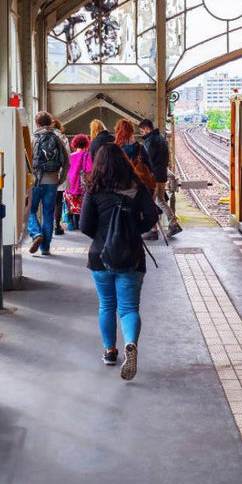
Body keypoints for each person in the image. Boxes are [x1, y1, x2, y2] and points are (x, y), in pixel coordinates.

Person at [79, 143, 160, 380]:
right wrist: (131, 232)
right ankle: (131, 344)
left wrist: (104, 238)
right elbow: (152, 217)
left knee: (107, 305)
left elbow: (84, 225)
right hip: (131, 256)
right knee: (128, 308)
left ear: (99, 164)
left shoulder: (93, 189)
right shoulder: (138, 187)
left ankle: (110, 351)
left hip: (100, 256)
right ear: (124, 162)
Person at [28, 111, 70, 256]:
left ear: (37, 124)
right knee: (48, 214)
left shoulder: (32, 138)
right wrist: (61, 179)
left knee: (29, 210)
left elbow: (26, 162)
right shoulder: (57, 138)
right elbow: (66, 162)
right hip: (52, 182)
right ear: (50, 123)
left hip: (35, 182)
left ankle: (35, 233)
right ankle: (45, 248)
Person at [139, 118, 183, 239]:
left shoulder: (150, 141)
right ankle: (158, 228)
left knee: (157, 202)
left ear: (147, 129)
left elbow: (149, 160)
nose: (142, 133)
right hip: (162, 174)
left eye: (142, 131)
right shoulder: (162, 139)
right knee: (159, 201)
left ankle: (169, 225)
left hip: (155, 177)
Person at [64, 133, 92, 230]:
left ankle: (70, 224)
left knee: (70, 206)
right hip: (81, 186)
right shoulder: (88, 155)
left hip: (70, 185)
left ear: (74, 144)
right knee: (81, 206)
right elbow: (89, 170)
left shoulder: (70, 156)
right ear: (86, 144)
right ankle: (80, 224)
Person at [52, 119, 70, 235]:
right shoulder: (62, 138)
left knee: (46, 201)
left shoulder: (38, 136)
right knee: (58, 201)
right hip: (59, 173)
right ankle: (57, 226)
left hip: (43, 174)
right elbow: (67, 157)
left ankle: (45, 226)